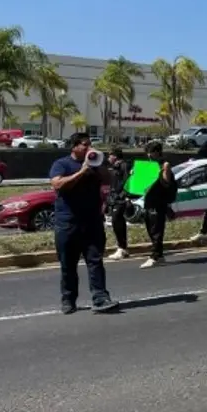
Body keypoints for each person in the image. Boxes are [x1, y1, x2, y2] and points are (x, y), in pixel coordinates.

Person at [49, 133, 120, 314]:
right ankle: (68, 300)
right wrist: (81, 172)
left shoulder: (95, 164)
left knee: (95, 261)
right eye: (84, 145)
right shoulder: (62, 164)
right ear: (74, 146)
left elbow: (109, 180)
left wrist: (99, 165)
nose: (89, 148)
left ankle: (100, 298)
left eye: (90, 144)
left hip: (92, 222)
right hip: (68, 223)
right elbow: (57, 184)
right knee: (68, 264)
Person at [139, 141, 178, 269]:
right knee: (150, 229)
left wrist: (163, 171)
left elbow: (166, 183)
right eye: (147, 152)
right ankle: (159, 255)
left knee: (157, 230)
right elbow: (142, 185)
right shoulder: (149, 165)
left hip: (159, 202)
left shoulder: (164, 165)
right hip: (149, 201)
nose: (149, 155)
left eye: (151, 152)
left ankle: (155, 257)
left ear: (157, 152)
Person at [106, 147, 131, 261]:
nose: (108, 158)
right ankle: (123, 248)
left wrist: (122, 196)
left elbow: (127, 182)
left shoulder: (124, 166)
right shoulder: (114, 167)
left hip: (120, 199)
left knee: (117, 221)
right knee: (117, 222)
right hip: (114, 198)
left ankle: (121, 248)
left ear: (115, 156)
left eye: (110, 155)